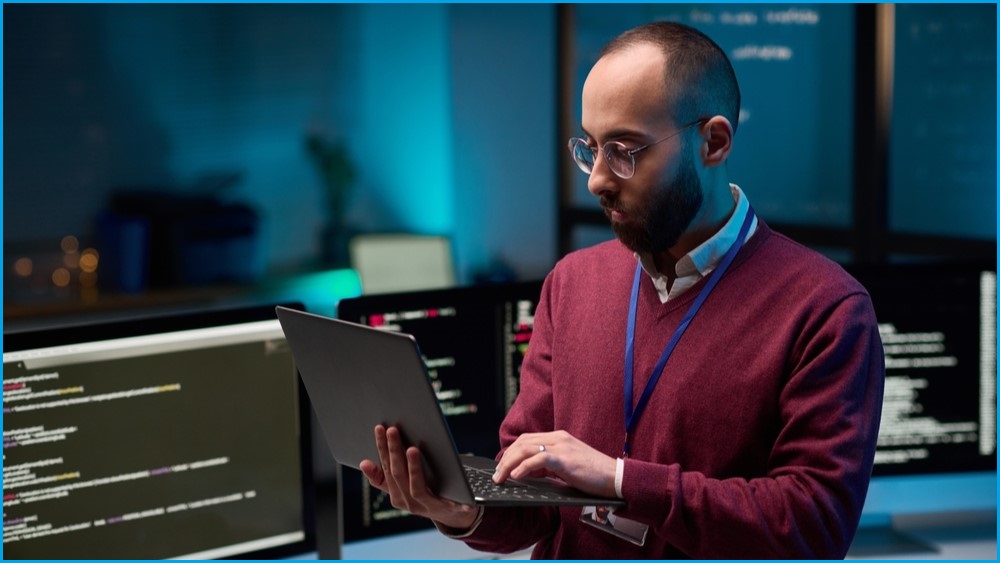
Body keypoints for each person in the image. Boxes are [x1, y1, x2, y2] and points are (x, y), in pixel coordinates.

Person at [359, 21, 885, 559]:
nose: (596, 180)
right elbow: (534, 498)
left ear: (714, 142)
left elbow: (814, 529)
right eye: (589, 148)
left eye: (624, 150)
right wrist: (462, 511)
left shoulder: (826, 310)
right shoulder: (572, 282)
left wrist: (618, 481)